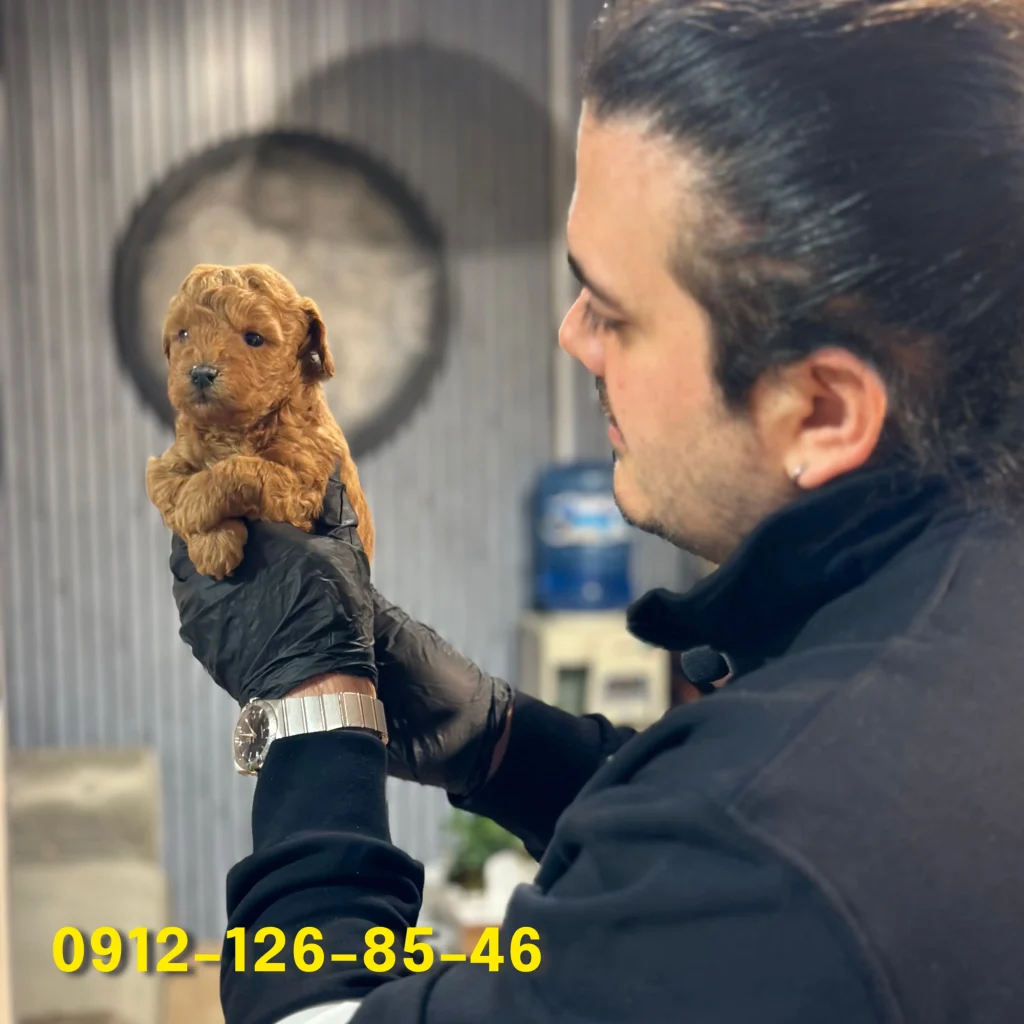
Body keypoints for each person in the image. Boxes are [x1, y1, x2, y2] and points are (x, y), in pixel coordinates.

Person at [167, 1, 1024, 1021]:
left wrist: (315, 705)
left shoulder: (778, 855)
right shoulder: (958, 610)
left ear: (822, 408)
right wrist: (503, 741)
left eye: (612, 311)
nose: (574, 337)